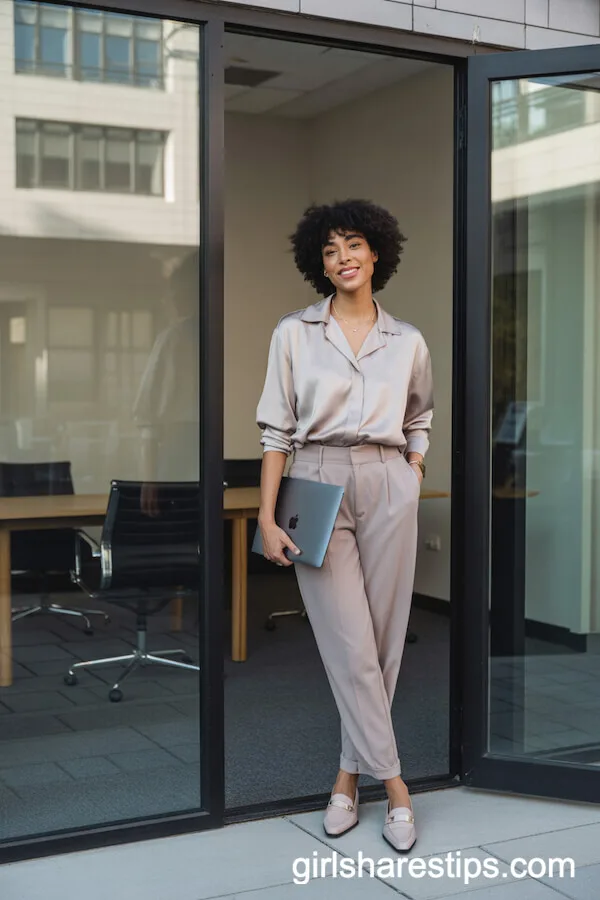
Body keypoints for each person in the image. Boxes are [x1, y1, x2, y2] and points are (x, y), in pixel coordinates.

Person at [255, 199, 433, 852]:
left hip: (388, 482)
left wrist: (411, 471)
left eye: (353, 245)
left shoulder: (407, 340)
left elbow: (420, 416)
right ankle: (397, 788)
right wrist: (268, 517)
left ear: (376, 252)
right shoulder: (294, 335)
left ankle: (345, 777)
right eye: (330, 251)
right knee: (349, 644)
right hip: (317, 477)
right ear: (318, 264)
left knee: (383, 645)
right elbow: (275, 430)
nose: (343, 259)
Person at [133, 251, 200, 516]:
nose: (169, 299)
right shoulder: (173, 338)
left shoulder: (174, 339)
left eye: (175, 291)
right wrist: (150, 478)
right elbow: (148, 419)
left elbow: (147, 416)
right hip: (177, 448)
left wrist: (150, 479)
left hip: (190, 448)